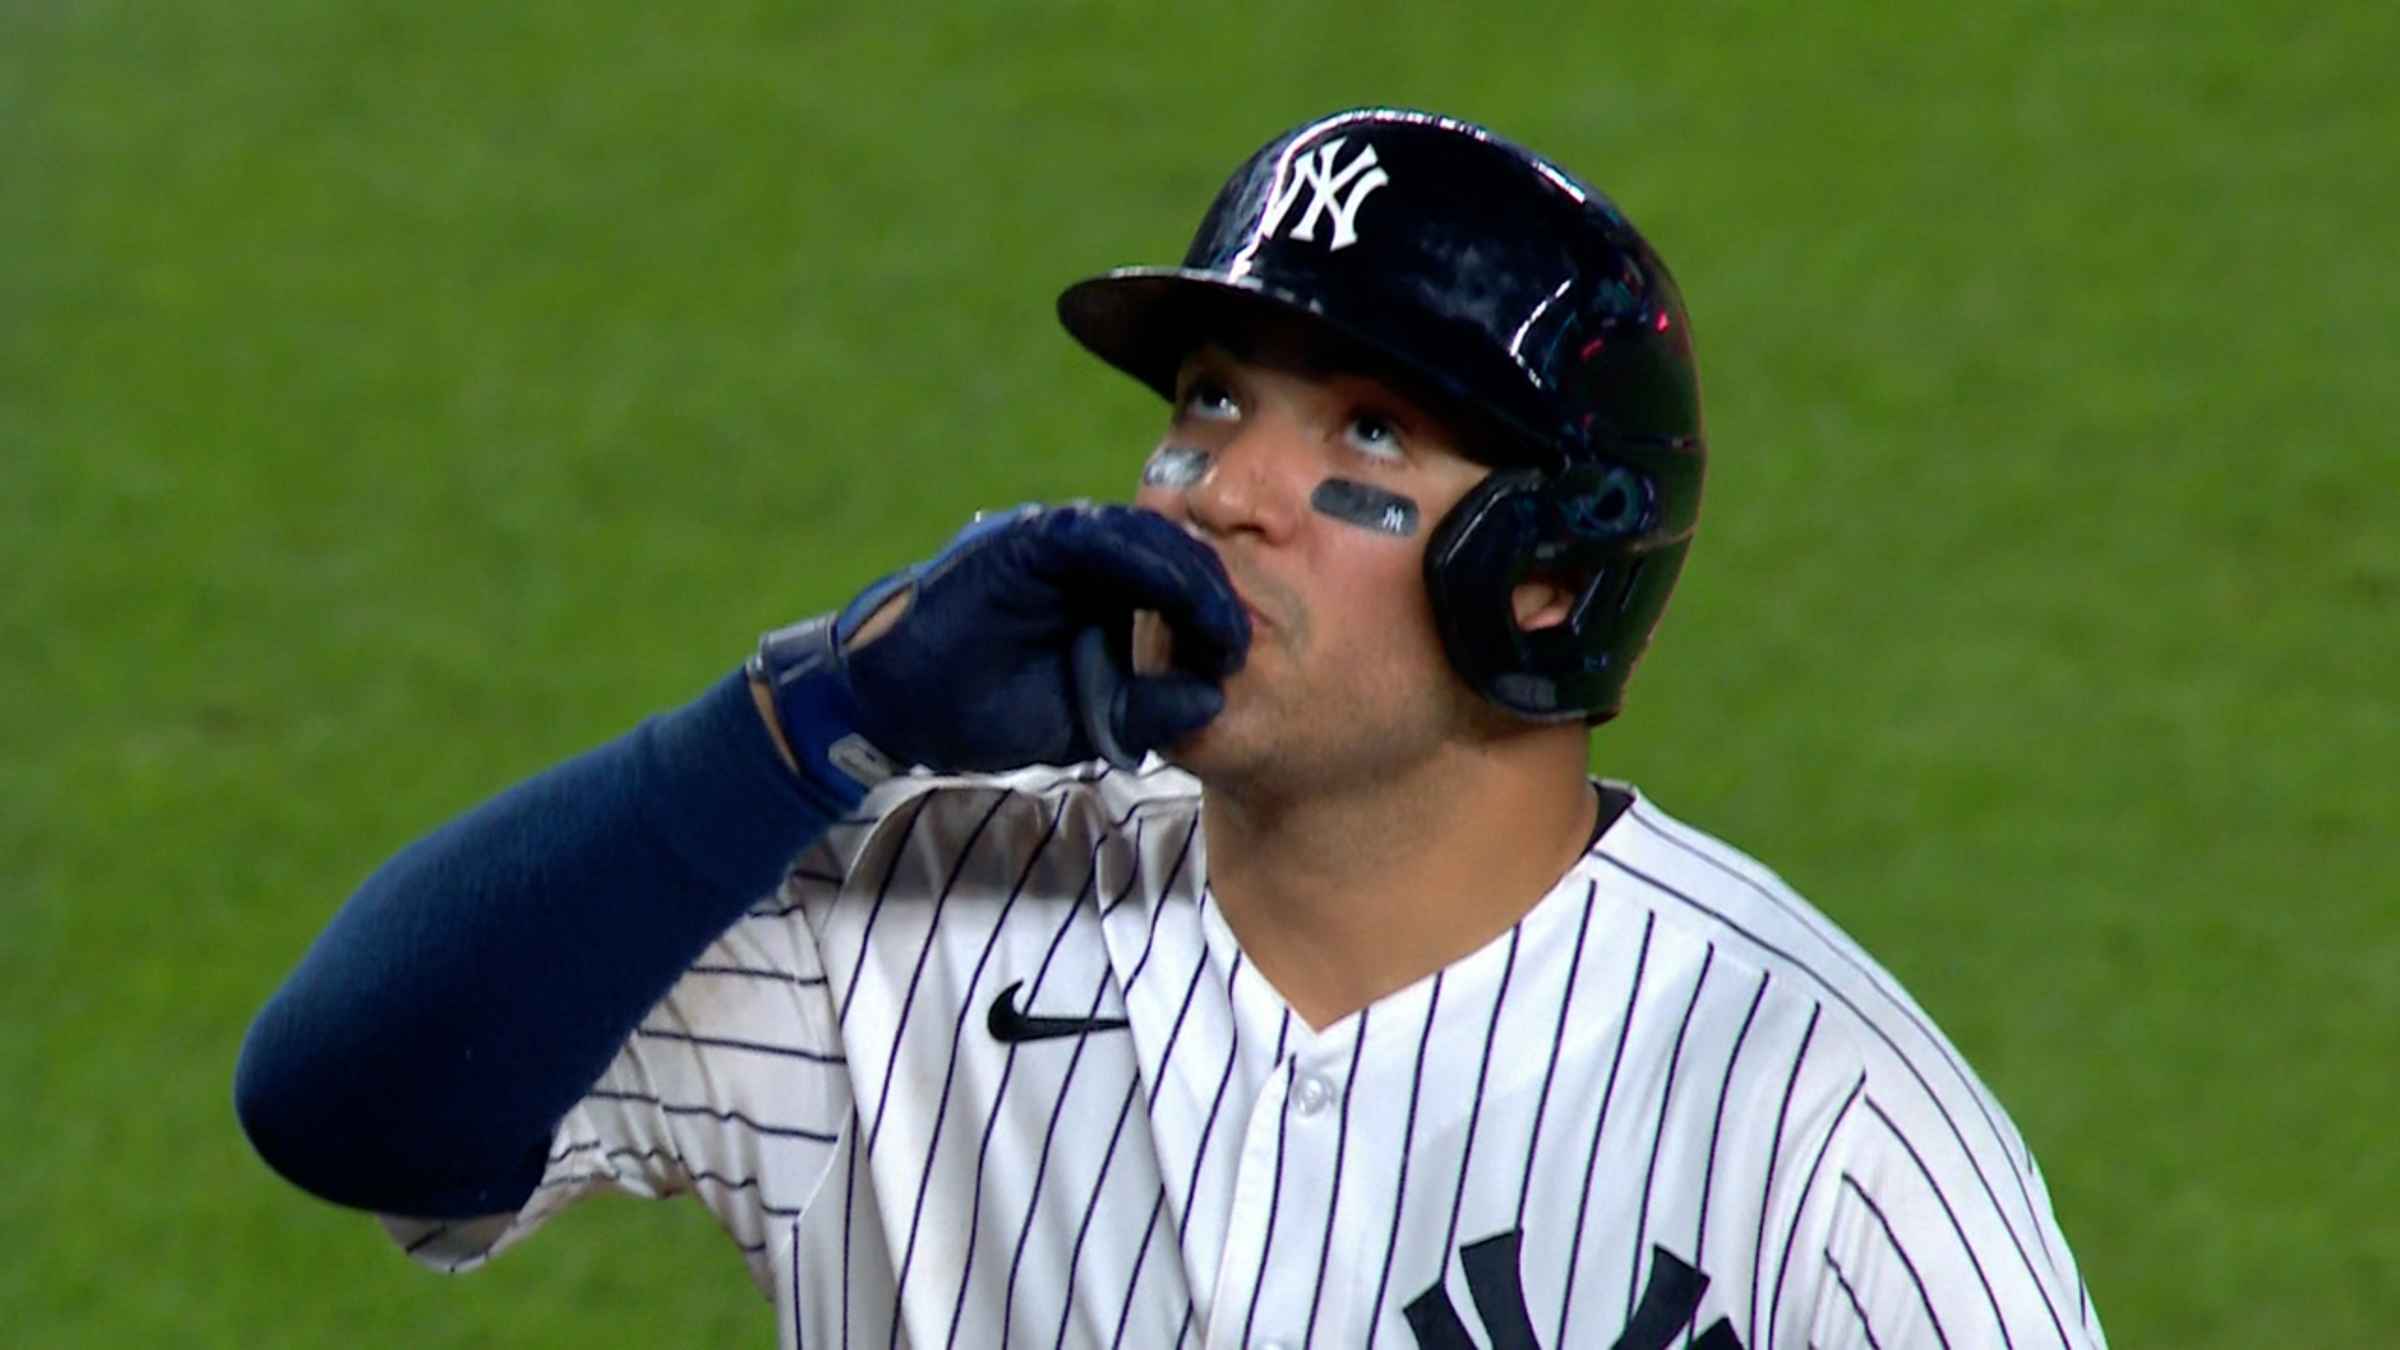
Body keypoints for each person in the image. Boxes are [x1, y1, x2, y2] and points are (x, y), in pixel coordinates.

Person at [236, 107, 2106, 1349]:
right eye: (1212, 401)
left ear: (1548, 571)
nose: (1231, 489)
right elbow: (351, 1103)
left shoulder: (1815, 1112)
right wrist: (813, 721)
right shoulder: (916, 911)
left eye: (1368, 431)